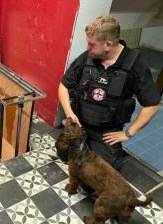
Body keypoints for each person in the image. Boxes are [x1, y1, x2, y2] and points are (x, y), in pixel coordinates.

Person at [58, 15, 160, 170]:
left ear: (107, 44)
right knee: (62, 151)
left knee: (99, 174)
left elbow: (152, 105)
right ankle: (86, 149)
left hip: (105, 131)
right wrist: (70, 113)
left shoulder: (136, 66)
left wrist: (127, 134)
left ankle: (93, 150)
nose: (87, 47)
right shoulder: (87, 58)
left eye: (92, 44)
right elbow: (63, 86)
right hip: (80, 122)